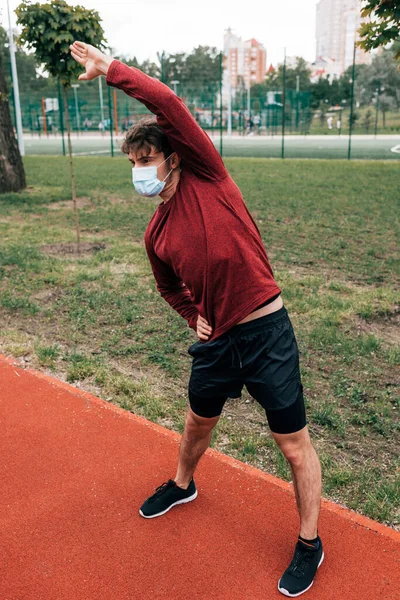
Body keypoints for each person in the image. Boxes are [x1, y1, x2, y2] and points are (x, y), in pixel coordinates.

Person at [70, 40, 324, 598]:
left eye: (147, 160)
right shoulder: (155, 233)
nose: (140, 172)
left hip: (265, 331)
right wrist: (191, 316)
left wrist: (112, 71)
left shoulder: (209, 175)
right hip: (217, 343)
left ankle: (309, 542)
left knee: (292, 443)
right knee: (195, 425)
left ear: (174, 156)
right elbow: (166, 285)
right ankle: (183, 484)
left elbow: (167, 104)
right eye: (133, 165)